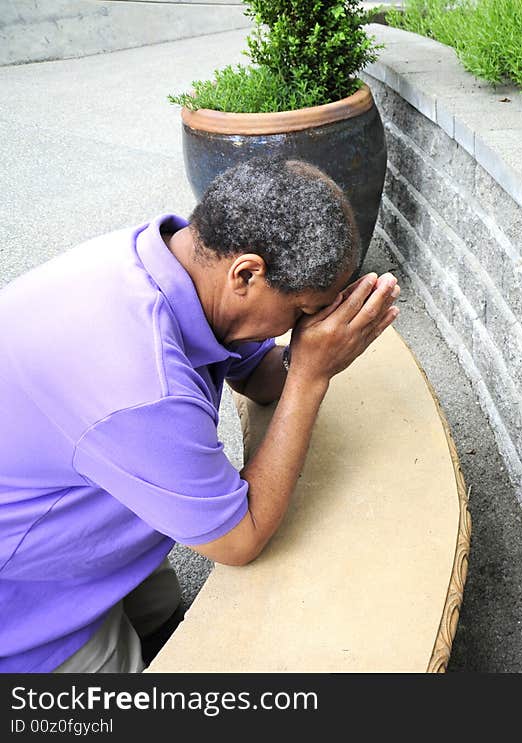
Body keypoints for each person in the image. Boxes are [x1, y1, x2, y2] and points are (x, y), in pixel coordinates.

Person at [0, 156, 399, 672]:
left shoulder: (174, 259)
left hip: (80, 499)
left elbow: (255, 375)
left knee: (158, 611)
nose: (303, 325)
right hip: (29, 589)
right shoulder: (142, 382)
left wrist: (311, 350)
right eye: (302, 310)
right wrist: (310, 375)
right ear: (247, 273)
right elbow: (240, 537)